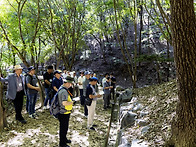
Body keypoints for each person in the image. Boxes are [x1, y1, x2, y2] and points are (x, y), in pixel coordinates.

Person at [58, 76, 75, 147]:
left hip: (64, 112)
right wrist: (72, 102)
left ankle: (64, 139)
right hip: (63, 112)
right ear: (67, 83)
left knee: (65, 127)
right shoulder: (64, 91)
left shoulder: (62, 88)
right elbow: (64, 103)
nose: (71, 85)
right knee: (63, 128)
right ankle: (62, 144)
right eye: (70, 84)